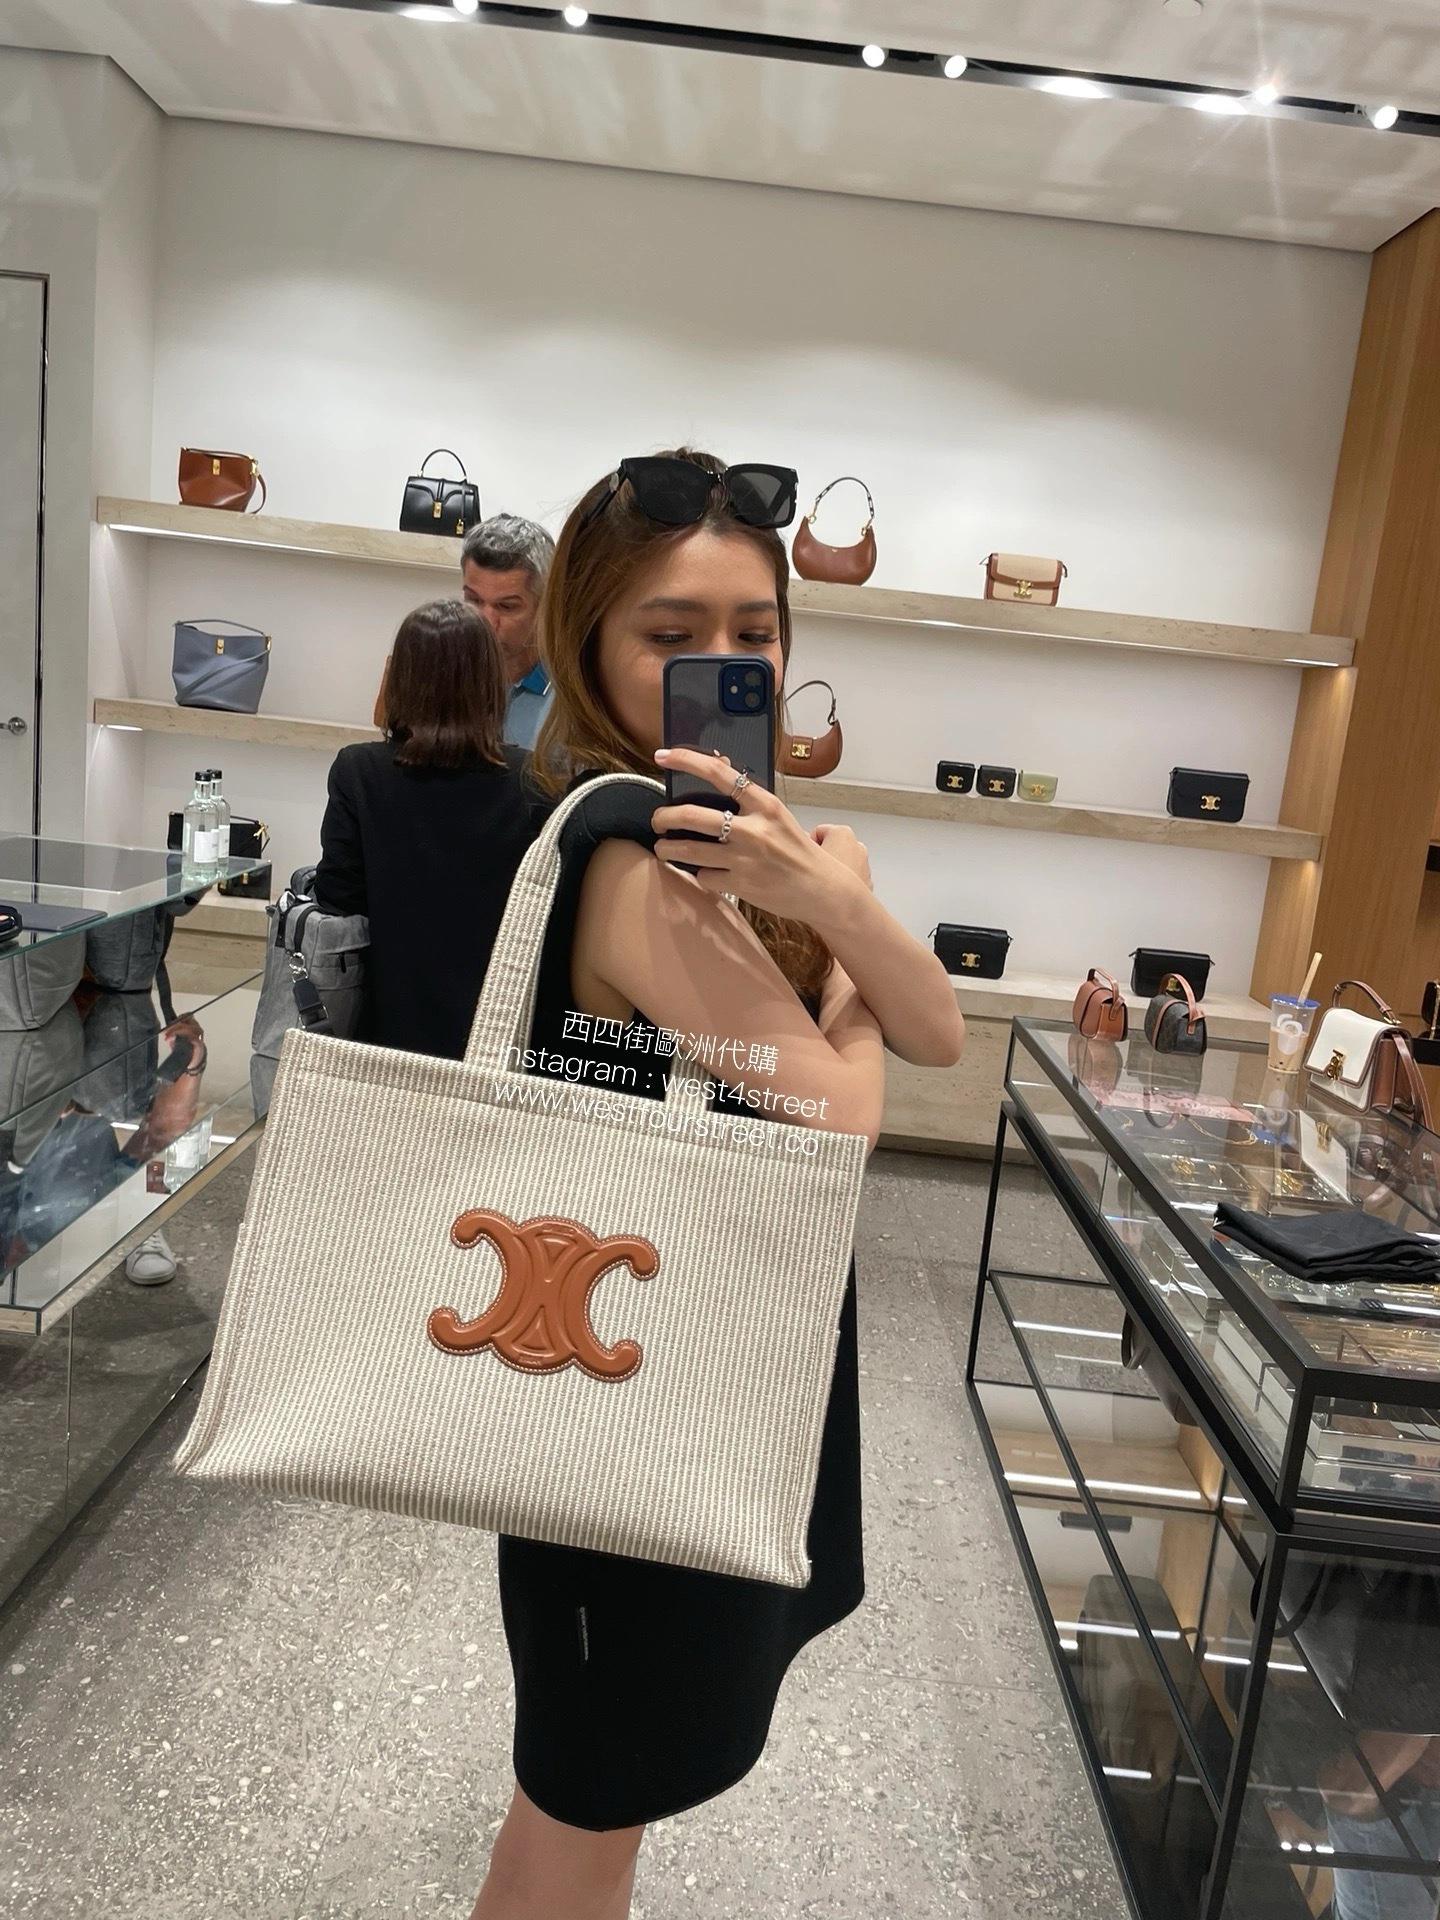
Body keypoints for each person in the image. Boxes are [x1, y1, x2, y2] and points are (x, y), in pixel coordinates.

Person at [470, 449, 965, 1920]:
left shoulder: (758, 856)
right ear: (588, 646)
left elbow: (938, 1032)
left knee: (585, 1801)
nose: (725, 664)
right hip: (635, 1400)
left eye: (755, 632)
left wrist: (823, 898)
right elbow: (842, 1118)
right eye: (672, 635)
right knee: (588, 1797)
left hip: (693, 1372)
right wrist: (845, 934)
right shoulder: (629, 857)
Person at [316, 599, 547, 1060]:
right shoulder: (536, 781)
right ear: (490, 682)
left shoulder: (358, 770)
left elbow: (338, 896)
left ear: (401, 678)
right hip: (499, 1036)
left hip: (383, 1029)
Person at [461, 514, 556, 750]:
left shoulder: (579, 697)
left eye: (506, 606)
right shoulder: (446, 674)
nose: (486, 621)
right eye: (473, 600)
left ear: (546, 605)